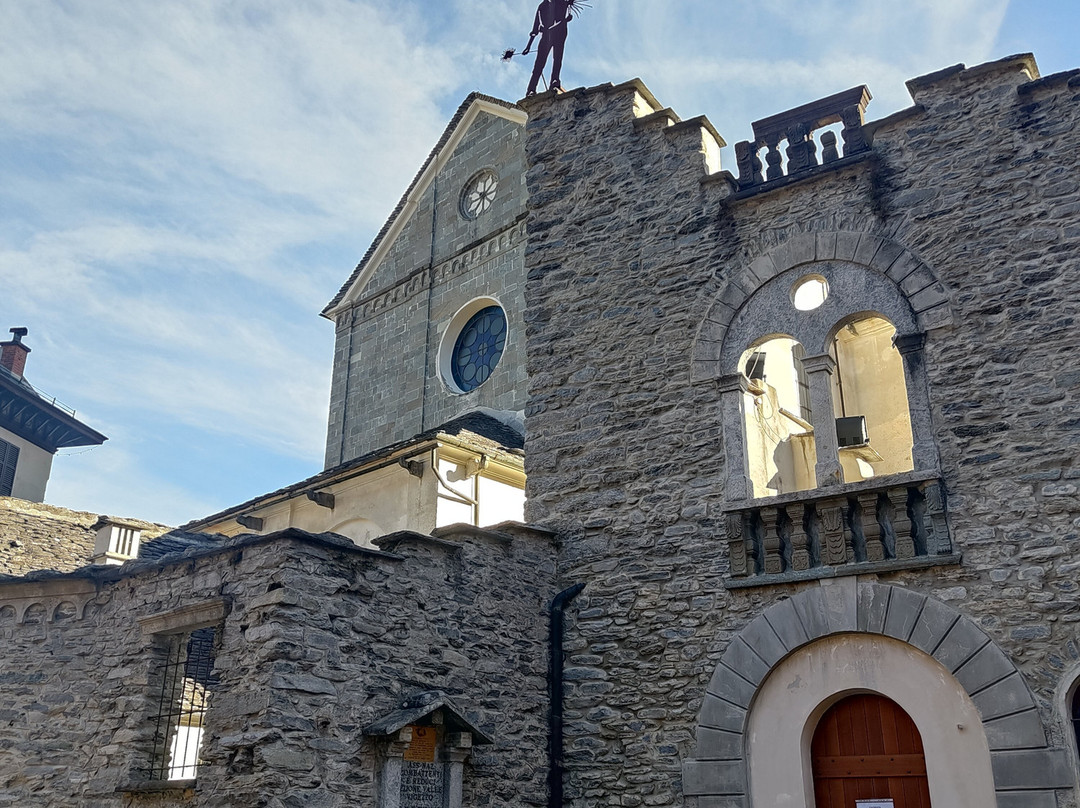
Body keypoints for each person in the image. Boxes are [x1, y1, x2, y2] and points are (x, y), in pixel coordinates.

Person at [523, 0, 573, 96]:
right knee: (539, 63)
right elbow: (535, 28)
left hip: (560, 33)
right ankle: (531, 89)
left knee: (557, 58)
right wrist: (528, 46)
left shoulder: (562, 3)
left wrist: (566, 18)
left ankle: (554, 81)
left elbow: (568, 6)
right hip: (547, 35)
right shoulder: (542, 6)